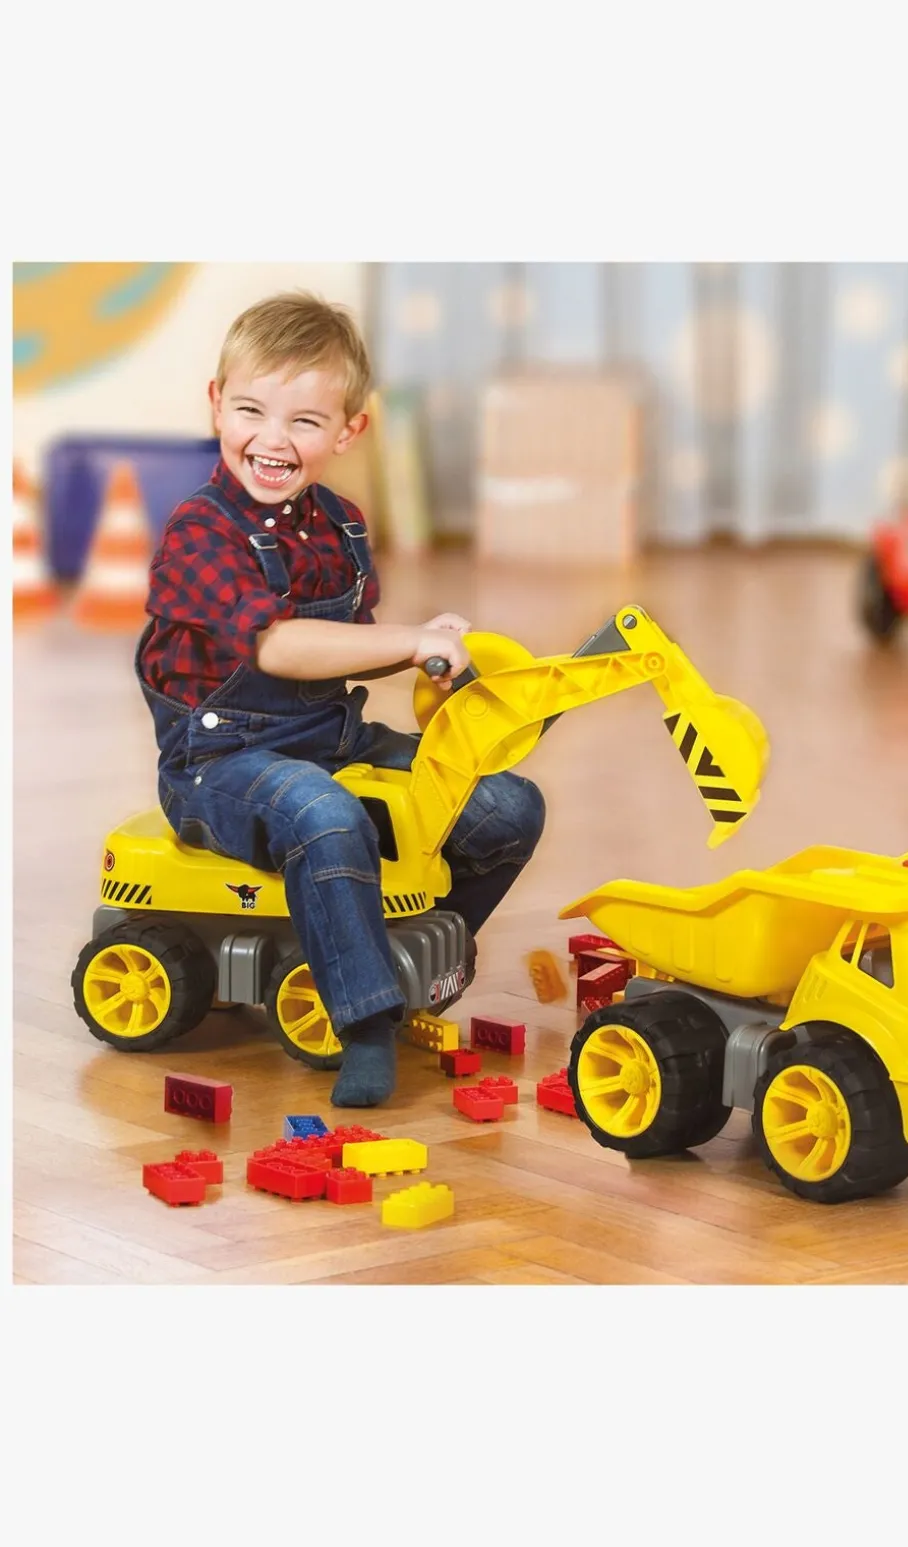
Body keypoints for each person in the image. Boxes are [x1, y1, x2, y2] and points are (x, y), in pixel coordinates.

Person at [137, 291, 545, 1107]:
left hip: (327, 733)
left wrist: (429, 656)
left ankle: (421, 948)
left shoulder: (342, 527)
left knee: (507, 804)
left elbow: (341, 650)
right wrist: (407, 639)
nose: (273, 440)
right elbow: (278, 647)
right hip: (219, 761)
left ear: (349, 431)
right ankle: (364, 1021)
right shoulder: (199, 533)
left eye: (305, 421)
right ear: (217, 402)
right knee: (324, 813)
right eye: (251, 410)